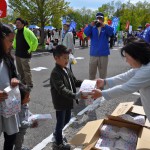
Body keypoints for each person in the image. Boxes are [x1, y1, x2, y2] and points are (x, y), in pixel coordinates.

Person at [91, 38, 150, 121]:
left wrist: (102, 93)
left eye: (127, 57)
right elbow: (126, 76)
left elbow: (127, 88)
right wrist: (104, 82)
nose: (126, 61)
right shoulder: (143, 66)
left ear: (136, 56)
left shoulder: (147, 70)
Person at [50, 45, 83, 150]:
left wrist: (87, 83)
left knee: (67, 119)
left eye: (68, 58)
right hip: (60, 102)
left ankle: (57, 134)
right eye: (64, 58)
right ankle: (58, 143)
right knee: (60, 123)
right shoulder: (55, 73)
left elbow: (75, 81)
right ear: (56, 58)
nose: (67, 60)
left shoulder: (67, 70)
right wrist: (75, 95)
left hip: (68, 101)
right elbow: (61, 89)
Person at [0, 23, 20, 150]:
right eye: (10, 41)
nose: (12, 44)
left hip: (8, 106)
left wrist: (15, 79)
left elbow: (16, 76)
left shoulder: (8, 58)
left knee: (11, 136)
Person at [84, 12, 114, 80]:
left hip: (103, 54)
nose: (99, 20)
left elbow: (112, 32)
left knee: (103, 75)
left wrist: (104, 26)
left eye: (100, 18)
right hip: (93, 54)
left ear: (103, 19)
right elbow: (85, 33)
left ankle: (101, 90)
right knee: (91, 74)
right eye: (97, 18)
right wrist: (90, 25)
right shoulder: (92, 28)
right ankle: (91, 89)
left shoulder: (105, 28)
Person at [13, 18, 38, 89]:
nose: (17, 24)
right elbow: (14, 41)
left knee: (26, 70)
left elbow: (35, 40)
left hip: (25, 54)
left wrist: (31, 49)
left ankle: (29, 84)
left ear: (23, 24)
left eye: (18, 23)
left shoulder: (27, 31)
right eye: (16, 23)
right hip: (18, 53)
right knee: (20, 70)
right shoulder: (16, 31)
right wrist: (14, 47)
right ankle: (23, 83)